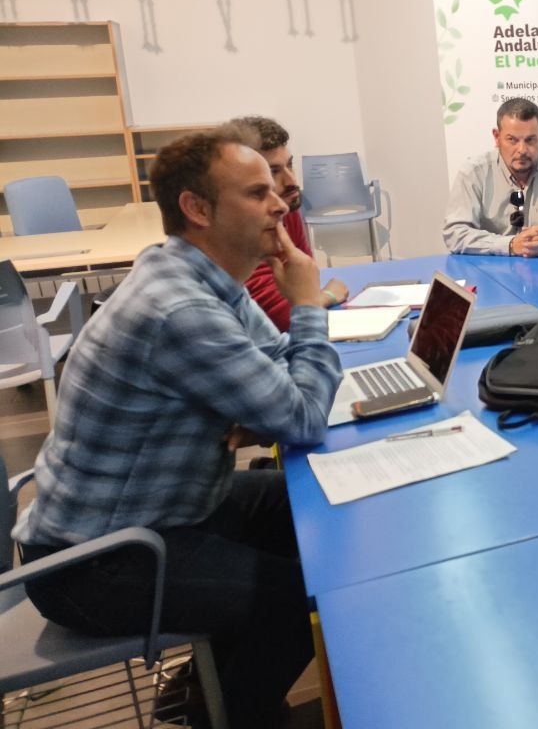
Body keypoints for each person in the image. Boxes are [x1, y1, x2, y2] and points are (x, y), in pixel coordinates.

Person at [13, 130, 343, 727]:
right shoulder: (180, 309)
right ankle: (223, 717)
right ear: (197, 209)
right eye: (257, 192)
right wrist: (310, 305)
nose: (281, 204)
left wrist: (263, 398)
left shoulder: (202, 277)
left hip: (167, 509)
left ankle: (201, 693)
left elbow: (276, 373)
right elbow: (301, 417)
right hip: (95, 561)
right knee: (299, 600)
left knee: (309, 503)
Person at [229, 115, 348, 330]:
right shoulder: (242, 228)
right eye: (273, 172)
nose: (292, 181)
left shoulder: (288, 207)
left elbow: (305, 279)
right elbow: (288, 316)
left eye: (290, 165)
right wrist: (327, 296)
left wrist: (311, 298)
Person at [443, 97, 538, 256]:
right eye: (512, 140)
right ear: (497, 137)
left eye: (530, 140)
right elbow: (454, 233)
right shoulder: (474, 172)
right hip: (492, 270)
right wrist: (509, 245)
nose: (522, 149)